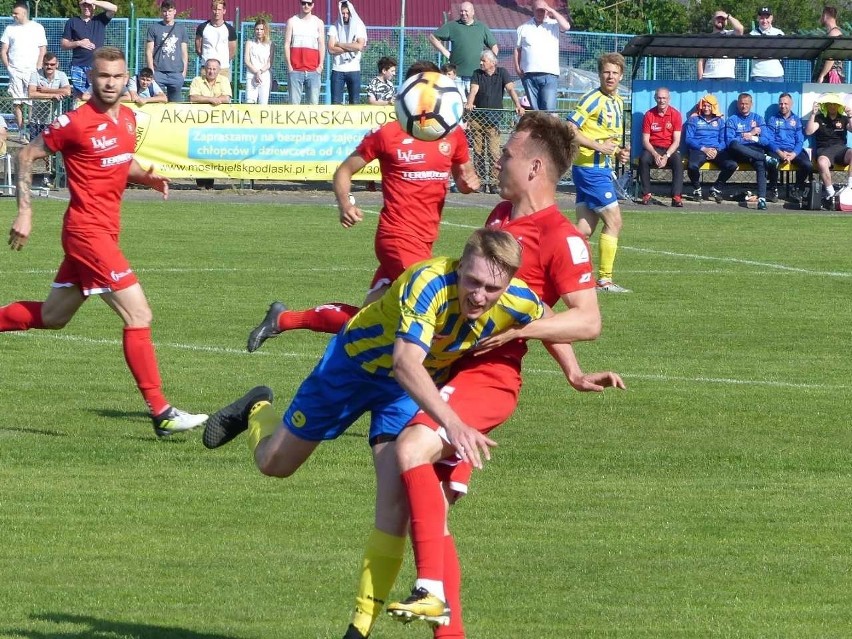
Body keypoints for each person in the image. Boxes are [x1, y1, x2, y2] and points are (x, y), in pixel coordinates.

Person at [376, 111, 622, 638]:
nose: (499, 160)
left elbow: (586, 318)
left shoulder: (561, 236)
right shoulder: (500, 217)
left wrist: (524, 337)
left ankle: (430, 592)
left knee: (411, 449)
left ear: (535, 166)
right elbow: (525, 307)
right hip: (451, 369)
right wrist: (572, 372)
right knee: (433, 518)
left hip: (489, 379)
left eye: (507, 154)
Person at [2, 46, 207, 438]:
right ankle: (162, 412)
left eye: (116, 76)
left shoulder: (129, 119)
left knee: (52, 317)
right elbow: (26, 155)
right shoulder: (75, 121)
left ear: (125, 77)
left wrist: (146, 176)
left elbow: (118, 160)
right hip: (87, 234)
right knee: (139, 314)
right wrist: (25, 211)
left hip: (104, 231)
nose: (109, 83)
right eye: (102, 76)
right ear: (90, 78)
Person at [245, 61, 479, 353]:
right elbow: (344, 171)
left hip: (425, 241)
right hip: (395, 238)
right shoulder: (387, 134)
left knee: (366, 321)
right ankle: (441, 388)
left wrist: (471, 183)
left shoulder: (451, 133)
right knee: (438, 309)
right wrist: (345, 203)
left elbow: (467, 179)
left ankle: (283, 319)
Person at [566, 52, 630, 294]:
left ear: (621, 75)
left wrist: (618, 153)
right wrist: (598, 147)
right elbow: (570, 129)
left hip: (598, 168)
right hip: (590, 169)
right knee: (614, 221)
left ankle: (550, 257)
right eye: (606, 72)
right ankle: (604, 280)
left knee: (583, 229)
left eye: (615, 73)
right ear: (600, 74)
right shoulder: (592, 99)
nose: (610, 76)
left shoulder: (618, 102)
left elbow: (608, 139)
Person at [465, 49, 524, 194]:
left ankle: (493, 182)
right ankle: (479, 182)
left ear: (492, 62)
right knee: (478, 151)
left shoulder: (502, 72)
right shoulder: (477, 74)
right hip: (477, 118)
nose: (481, 63)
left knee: (493, 151)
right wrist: (469, 103)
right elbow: (473, 90)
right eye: (481, 60)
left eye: (483, 60)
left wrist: (518, 104)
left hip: (493, 118)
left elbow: (510, 89)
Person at [428, 2, 498, 98]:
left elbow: (494, 47)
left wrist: (491, 64)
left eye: (466, 11)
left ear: (473, 12)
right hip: (456, 76)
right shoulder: (452, 26)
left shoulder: (481, 27)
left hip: (476, 75)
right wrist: (446, 53)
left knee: (474, 105)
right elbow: (433, 37)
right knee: (457, 103)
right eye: (461, 11)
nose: (463, 13)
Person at [514, 0, 571, 112]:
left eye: (543, 10)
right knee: (535, 111)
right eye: (538, 10)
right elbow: (517, 49)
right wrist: (517, 67)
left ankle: (549, 129)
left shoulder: (554, 24)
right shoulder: (523, 28)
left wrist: (551, 10)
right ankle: (538, 130)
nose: (541, 13)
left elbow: (566, 26)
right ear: (532, 10)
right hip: (529, 75)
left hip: (549, 74)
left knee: (549, 109)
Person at [1, 1, 47, 138]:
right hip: (15, 71)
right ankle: (22, 131)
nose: (13, 15)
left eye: (16, 13)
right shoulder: (9, 29)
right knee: (17, 101)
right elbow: (3, 50)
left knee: (33, 100)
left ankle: (32, 131)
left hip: (32, 71)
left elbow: (42, 49)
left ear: (24, 13)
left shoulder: (37, 27)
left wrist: (38, 68)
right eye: (13, 13)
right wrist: (9, 68)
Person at [725, 92, 776, 210]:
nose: (744, 106)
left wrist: (752, 137)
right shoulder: (732, 120)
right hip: (739, 153)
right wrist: (749, 134)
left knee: (760, 164)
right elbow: (729, 141)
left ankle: (762, 200)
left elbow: (766, 141)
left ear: (751, 104)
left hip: (755, 151)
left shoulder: (758, 118)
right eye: (742, 104)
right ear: (738, 104)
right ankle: (766, 158)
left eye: (746, 104)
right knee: (734, 144)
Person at [684, 93, 737, 203]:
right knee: (692, 166)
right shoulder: (693, 120)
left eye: (709, 106)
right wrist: (704, 149)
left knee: (732, 165)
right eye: (704, 106)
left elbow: (724, 141)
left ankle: (716, 188)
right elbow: (688, 139)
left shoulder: (720, 121)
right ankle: (697, 189)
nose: (706, 108)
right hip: (699, 149)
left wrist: (715, 150)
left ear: (714, 107)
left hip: (715, 150)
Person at [61, 0, 117, 103]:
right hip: (78, 65)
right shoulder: (72, 22)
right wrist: (79, 43)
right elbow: (64, 44)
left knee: (97, 94)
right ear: (80, 6)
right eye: (84, 4)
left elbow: (113, 8)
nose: (86, 7)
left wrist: (93, 1)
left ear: (94, 6)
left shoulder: (100, 20)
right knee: (79, 96)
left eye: (89, 5)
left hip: (96, 66)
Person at [189, 58, 232, 190]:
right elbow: (192, 97)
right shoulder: (197, 80)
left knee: (212, 152)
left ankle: (210, 182)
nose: (211, 71)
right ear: (204, 69)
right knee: (199, 152)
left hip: (217, 124)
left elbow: (227, 98)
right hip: (199, 123)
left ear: (219, 70)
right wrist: (211, 99)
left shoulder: (224, 80)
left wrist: (210, 100)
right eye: (209, 68)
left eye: (214, 69)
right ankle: (200, 183)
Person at [804, 92, 852, 207]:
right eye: (829, 104)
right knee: (821, 162)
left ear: (838, 106)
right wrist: (812, 114)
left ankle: (850, 186)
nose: (832, 106)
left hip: (841, 149)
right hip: (824, 150)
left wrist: (850, 116)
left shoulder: (844, 118)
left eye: (834, 104)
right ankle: (831, 193)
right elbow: (808, 131)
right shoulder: (819, 118)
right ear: (825, 106)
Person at [638, 86, 683, 207]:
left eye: (664, 98)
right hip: (653, 148)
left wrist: (666, 156)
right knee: (643, 159)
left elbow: (677, 141)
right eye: (659, 98)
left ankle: (676, 196)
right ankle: (646, 194)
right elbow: (645, 141)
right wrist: (656, 154)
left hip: (670, 148)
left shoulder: (676, 115)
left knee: (678, 160)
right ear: (655, 98)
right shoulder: (649, 115)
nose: (661, 100)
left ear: (669, 99)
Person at [762, 92, 812, 203]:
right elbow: (768, 140)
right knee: (772, 161)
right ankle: (773, 190)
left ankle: (796, 189)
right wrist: (779, 152)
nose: (783, 106)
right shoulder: (772, 119)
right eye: (781, 103)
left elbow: (799, 141)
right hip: (777, 150)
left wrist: (793, 154)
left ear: (791, 104)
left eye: (786, 103)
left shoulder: (796, 120)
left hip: (793, 151)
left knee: (808, 165)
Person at [145, 0, 189, 102]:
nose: (167, 14)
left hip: (176, 73)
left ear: (174, 11)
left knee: (175, 105)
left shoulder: (181, 29)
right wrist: (152, 71)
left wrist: (184, 73)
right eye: (164, 11)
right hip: (158, 72)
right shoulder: (154, 28)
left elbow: (184, 52)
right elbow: (149, 51)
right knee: (156, 102)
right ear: (161, 12)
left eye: (169, 11)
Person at [284, 0, 325, 105]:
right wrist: (289, 65)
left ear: (313, 5)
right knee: (294, 106)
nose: (306, 5)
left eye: (309, 3)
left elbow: (321, 44)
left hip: (313, 71)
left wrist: (320, 66)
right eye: (303, 3)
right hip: (295, 70)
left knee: (313, 107)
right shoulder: (292, 21)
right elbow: (287, 44)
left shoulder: (318, 23)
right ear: (300, 4)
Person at [328, 0, 367, 105]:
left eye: (347, 13)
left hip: (354, 70)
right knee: (336, 103)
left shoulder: (359, 26)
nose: (345, 15)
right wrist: (351, 46)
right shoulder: (334, 27)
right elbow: (331, 49)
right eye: (343, 13)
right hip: (337, 70)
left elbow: (359, 46)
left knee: (354, 103)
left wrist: (339, 44)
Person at [195, 1, 237, 79]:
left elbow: (232, 50)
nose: (216, 12)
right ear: (211, 10)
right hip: (206, 68)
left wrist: (223, 61)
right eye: (214, 9)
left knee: (222, 91)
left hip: (223, 69)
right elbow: (198, 48)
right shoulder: (202, 27)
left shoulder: (230, 29)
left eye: (219, 9)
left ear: (224, 11)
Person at [697, 10, 744, 80]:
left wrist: (728, 16)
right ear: (713, 20)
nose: (720, 20)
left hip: (727, 77)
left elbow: (740, 30)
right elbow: (701, 61)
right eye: (718, 18)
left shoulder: (730, 35)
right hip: (708, 77)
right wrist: (700, 79)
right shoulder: (706, 38)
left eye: (723, 19)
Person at [244, 17, 274, 105]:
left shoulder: (271, 44)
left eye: (261, 29)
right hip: (251, 75)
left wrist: (260, 72)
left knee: (263, 103)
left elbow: (269, 62)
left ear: (265, 30)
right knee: (250, 102)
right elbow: (247, 61)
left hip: (264, 76)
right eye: (257, 29)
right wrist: (256, 72)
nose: (259, 31)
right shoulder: (249, 43)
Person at [749, 7, 784, 82]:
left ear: (771, 18)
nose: (764, 21)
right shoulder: (752, 35)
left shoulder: (779, 33)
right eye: (762, 18)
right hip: (758, 75)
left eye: (767, 18)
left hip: (777, 75)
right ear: (758, 18)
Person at [816, 5, 844, 83]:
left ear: (825, 15)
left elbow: (831, 57)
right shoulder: (834, 32)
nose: (820, 18)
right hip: (830, 75)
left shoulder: (834, 33)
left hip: (831, 77)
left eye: (821, 15)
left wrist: (822, 75)